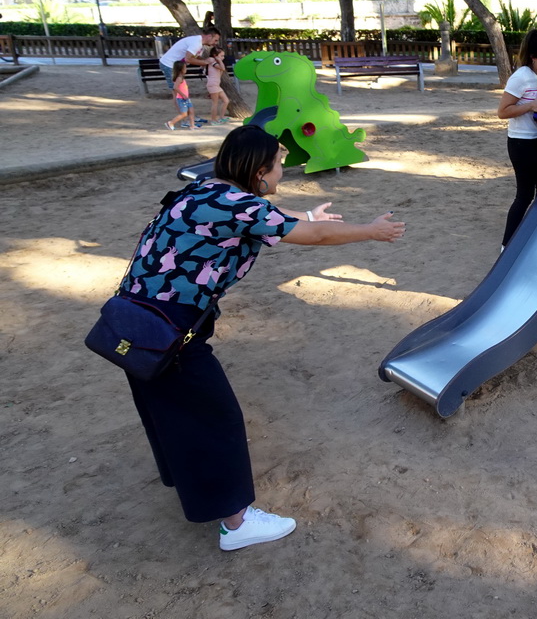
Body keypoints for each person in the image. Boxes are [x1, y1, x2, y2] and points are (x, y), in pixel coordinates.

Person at [119, 124, 405, 551]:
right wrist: (370, 229)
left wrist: (306, 218)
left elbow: (259, 225)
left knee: (170, 411)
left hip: (134, 318)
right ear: (258, 172)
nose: (282, 173)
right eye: (279, 165)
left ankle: (188, 481)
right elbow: (312, 236)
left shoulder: (202, 190)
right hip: (171, 329)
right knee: (218, 419)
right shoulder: (240, 204)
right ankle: (236, 525)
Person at [497, 29, 537, 246]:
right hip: (521, 143)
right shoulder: (521, 77)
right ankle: (507, 245)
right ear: (533, 56)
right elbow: (503, 111)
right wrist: (530, 106)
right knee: (524, 195)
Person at [165, 60, 198, 131]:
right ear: (180, 69)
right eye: (185, 68)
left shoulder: (181, 78)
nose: (186, 69)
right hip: (182, 98)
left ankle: (192, 125)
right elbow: (175, 87)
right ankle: (171, 122)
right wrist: (183, 95)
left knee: (191, 111)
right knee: (184, 114)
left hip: (186, 98)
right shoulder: (179, 78)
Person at [206, 46, 230, 124]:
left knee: (226, 101)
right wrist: (219, 60)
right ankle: (213, 120)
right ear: (215, 55)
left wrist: (220, 60)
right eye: (221, 56)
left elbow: (221, 71)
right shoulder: (212, 60)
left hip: (216, 85)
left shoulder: (216, 61)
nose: (223, 58)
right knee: (215, 103)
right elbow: (222, 68)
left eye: (223, 56)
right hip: (213, 85)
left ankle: (221, 117)